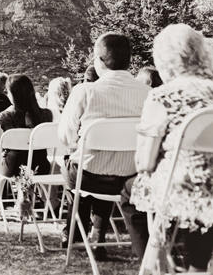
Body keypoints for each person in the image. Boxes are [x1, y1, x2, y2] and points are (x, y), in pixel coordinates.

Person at [120, 24, 213, 271]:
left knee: (132, 195)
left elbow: (145, 163)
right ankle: (198, 265)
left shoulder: (162, 96)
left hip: (178, 191)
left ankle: (155, 261)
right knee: (203, 191)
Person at [58, 32, 150, 258]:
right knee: (110, 164)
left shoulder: (85, 91)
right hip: (131, 178)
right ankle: (97, 232)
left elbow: (65, 137)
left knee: (76, 165)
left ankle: (76, 233)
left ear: (99, 61)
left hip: (90, 177)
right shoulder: (148, 94)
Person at [0, 74, 54, 177]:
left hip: (14, 167)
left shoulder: (4, 117)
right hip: (41, 166)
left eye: (8, 91)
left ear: (13, 94)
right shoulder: (47, 115)